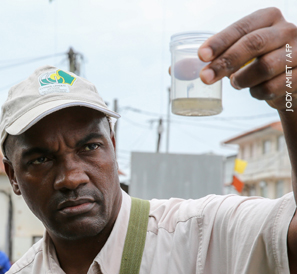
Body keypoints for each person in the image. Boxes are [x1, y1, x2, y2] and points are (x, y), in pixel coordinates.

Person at [2, 7, 297, 274]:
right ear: (13, 176)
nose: (71, 177)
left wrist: (292, 99)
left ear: (113, 147)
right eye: (41, 159)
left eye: (89, 147)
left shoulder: (201, 236)